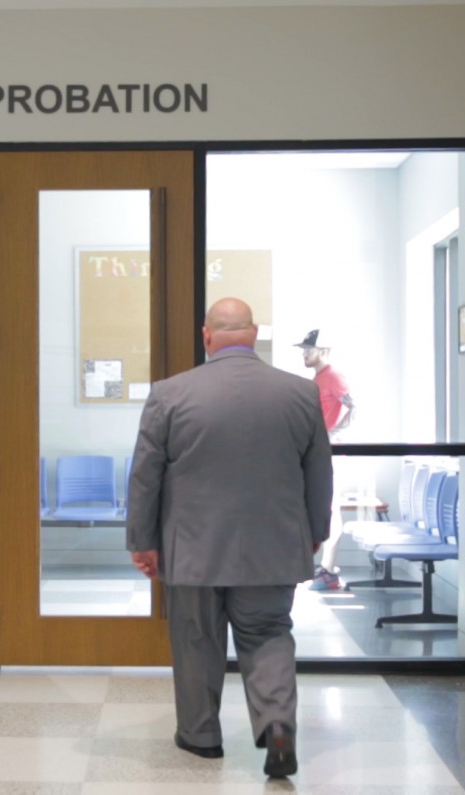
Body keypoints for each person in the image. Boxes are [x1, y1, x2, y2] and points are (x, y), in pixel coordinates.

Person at [127, 298, 332, 778]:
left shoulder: (169, 394)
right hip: (274, 545)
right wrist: (315, 531)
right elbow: (319, 472)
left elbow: (145, 475)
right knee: (268, 633)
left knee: (196, 637)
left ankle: (201, 737)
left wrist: (143, 540)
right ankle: (277, 726)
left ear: (206, 336)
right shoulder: (300, 394)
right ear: (254, 333)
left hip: (193, 546)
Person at [295, 329, 354, 591]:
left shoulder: (332, 377)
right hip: (318, 449)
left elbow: (354, 406)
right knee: (321, 505)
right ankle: (324, 568)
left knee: (331, 507)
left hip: (330, 450)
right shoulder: (319, 379)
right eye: (304, 349)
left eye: (310, 349)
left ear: (325, 352)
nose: (305, 354)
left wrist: (332, 435)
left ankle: (328, 570)